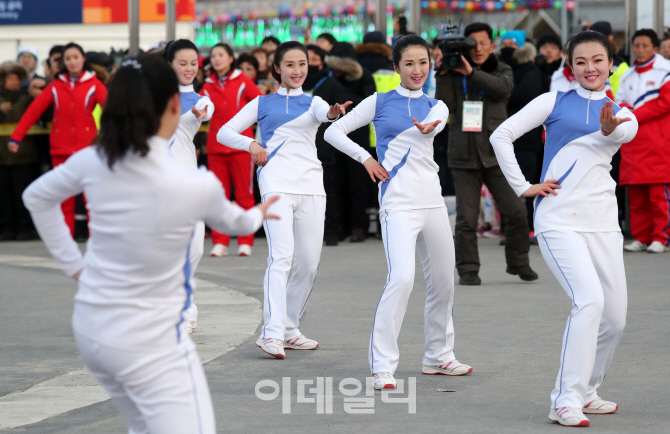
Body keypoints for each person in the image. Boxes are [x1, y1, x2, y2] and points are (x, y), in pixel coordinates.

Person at [21, 55, 278, 434]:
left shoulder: (95, 159)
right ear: (175, 105)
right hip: (151, 337)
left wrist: (75, 265)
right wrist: (258, 213)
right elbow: (235, 222)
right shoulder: (193, 182)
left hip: (92, 328)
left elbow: (37, 197)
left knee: (145, 425)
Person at [491, 30, 638, 428]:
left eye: (597, 60)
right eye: (580, 62)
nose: (590, 68)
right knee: (589, 301)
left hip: (603, 224)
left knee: (616, 318)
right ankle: (564, 399)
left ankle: (588, 390)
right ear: (569, 67)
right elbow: (500, 134)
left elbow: (622, 132)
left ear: (611, 63)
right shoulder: (552, 100)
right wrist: (524, 186)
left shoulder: (623, 110)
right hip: (558, 221)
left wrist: (610, 129)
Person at [218, 41, 386, 359]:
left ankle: (290, 328)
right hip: (276, 185)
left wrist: (334, 113)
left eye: (303, 64)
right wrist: (252, 144)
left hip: (311, 186)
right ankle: (271, 333)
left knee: (308, 264)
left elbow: (326, 113)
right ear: (277, 68)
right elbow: (224, 132)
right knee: (281, 258)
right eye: (290, 64)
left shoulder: (314, 102)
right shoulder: (261, 103)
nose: (297, 70)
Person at [325, 35, 473, 390]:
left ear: (431, 65)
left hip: (433, 202)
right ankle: (383, 366)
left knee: (443, 282)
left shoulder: (436, 106)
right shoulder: (378, 101)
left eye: (423, 63)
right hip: (397, 205)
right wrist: (366, 158)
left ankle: (438, 356)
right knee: (402, 278)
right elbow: (334, 131)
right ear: (396, 68)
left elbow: (438, 118)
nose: (417, 70)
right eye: (409, 63)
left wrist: (430, 126)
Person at [435, 22, 537, 285]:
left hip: (496, 155)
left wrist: (471, 73)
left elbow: (501, 90)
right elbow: (445, 106)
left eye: (483, 43)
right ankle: (468, 270)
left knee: (516, 211)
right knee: (467, 219)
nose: (478, 48)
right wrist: (443, 73)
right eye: (473, 44)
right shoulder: (452, 71)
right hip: (463, 155)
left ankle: (519, 263)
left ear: (492, 45)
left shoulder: (503, 69)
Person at [9, 42, 107, 236]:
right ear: (63, 62)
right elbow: (33, 112)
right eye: (68, 59)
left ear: (83, 59)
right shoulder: (55, 86)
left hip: (87, 151)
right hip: (61, 150)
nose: (72, 62)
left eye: (75, 57)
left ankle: (99, 241)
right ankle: (67, 242)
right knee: (65, 201)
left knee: (92, 200)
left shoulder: (95, 85)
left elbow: (114, 111)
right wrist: (16, 138)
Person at [165, 39, 215, 335]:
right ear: (170, 64)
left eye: (193, 63)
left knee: (194, 247)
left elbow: (205, 111)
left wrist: (200, 113)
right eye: (182, 63)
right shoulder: (152, 97)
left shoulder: (201, 99)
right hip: (158, 184)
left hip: (187, 181)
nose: (188, 68)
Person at [200, 43, 264, 257]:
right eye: (213, 55)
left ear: (230, 58)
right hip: (216, 148)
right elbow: (199, 109)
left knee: (245, 194)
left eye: (221, 55)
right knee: (219, 196)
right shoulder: (207, 86)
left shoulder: (243, 81)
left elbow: (260, 105)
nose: (216, 59)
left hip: (241, 147)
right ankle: (221, 241)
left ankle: (246, 240)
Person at [615, 29, 670, 253]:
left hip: (659, 141)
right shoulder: (627, 75)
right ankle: (642, 236)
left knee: (659, 195)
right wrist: (630, 113)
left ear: (655, 49)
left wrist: (634, 114)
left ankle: (661, 237)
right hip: (633, 144)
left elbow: (665, 103)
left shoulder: (665, 71)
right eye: (636, 45)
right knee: (636, 196)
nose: (639, 50)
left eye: (645, 45)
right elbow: (620, 103)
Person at [325, 42, 377, 242]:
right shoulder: (330, 77)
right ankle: (340, 226)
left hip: (358, 135)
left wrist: (341, 96)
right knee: (337, 182)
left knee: (358, 182)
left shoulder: (364, 77)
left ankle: (358, 226)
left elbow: (367, 103)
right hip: (335, 136)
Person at [499, 32, 544, 239]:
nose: (508, 47)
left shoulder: (531, 70)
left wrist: (502, 94)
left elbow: (525, 95)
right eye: (504, 44)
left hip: (527, 138)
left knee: (526, 182)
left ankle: (528, 226)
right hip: (503, 136)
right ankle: (508, 228)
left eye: (512, 44)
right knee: (506, 185)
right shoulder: (498, 69)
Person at [304, 44, 348, 246]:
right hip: (300, 148)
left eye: (313, 60)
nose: (308, 65)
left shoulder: (330, 84)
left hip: (324, 148)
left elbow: (341, 117)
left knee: (328, 189)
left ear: (321, 63)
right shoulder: (294, 86)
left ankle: (331, 230)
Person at [0, 63, 40, 241]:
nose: (13, 83)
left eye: (16, 79)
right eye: (9, 79)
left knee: (22, 194)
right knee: (5, 196)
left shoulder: (27, 98)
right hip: (2, 157)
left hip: (24, 156)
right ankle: (7, 228)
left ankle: (25, 228)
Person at [589, 21, 629, 97]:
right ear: (610, 37)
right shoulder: (621, 65)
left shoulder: (582, 63)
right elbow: (622, 97)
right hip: (612, 106)